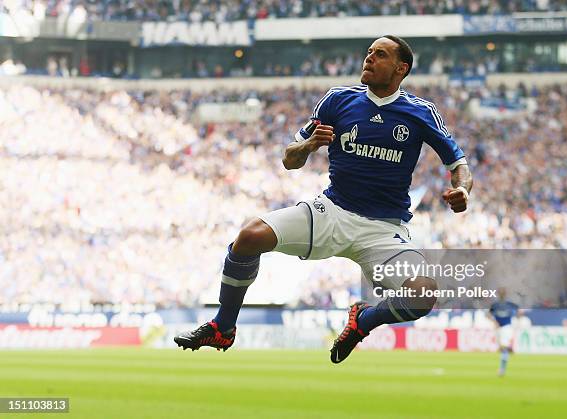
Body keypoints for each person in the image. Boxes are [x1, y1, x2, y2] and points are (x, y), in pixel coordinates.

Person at [174, 35, 473, 363]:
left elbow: (459, 165)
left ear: (401, 68)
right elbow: (290, 159)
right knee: (249, 237)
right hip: (331, 212)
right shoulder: (339, 100)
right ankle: (223, 327)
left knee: (423, 294)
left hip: (384, 230)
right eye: (369, 52)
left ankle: (364, 321)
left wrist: (462, 190)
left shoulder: (420, 112)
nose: (369, 59)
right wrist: (308, 145)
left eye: (381, 55)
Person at [489, 288, 520, 377]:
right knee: (501, 347)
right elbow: (488, 314)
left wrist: (517, 318)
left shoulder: (510, 304)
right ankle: (509, 348)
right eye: (500, 292)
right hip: (498, 329)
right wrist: (494, 322)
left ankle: (502, 370)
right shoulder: (495, 305)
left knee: (503, 348)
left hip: (506, 328)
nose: (502, 294)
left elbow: (518, 310)